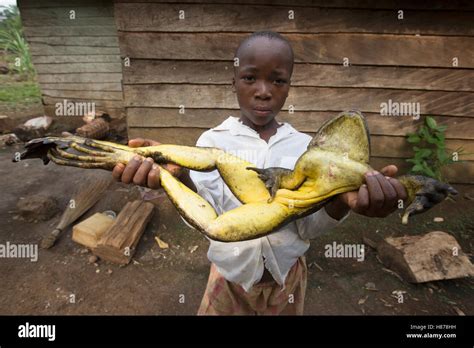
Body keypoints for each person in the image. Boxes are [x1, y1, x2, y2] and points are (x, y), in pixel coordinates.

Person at [112, 31, 407, 315]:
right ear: (234, 82)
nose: (264, 92)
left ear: (288, 86)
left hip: (286, 279)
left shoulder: (308, 151)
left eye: (277, 80)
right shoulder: (212, 143)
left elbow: (307, 227)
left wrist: (339, 201)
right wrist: (178, 179)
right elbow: (206, 219)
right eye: (250, 78)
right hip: (229, 277)